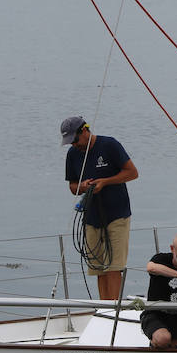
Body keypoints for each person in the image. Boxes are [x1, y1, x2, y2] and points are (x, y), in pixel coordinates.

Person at [62, 116, 138, 302]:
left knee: (113, 267)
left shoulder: (109, 145)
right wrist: (83, 186)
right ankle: (104, 307)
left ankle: (114, 309)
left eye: (75, 140)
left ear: (85, 131)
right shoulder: (72, 154)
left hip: (117, 215)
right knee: (98, 268)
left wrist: (105, 182)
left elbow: (132, 173)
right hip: (91, 217)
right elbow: (72, 187)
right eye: (70, 142)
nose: (74, 144)